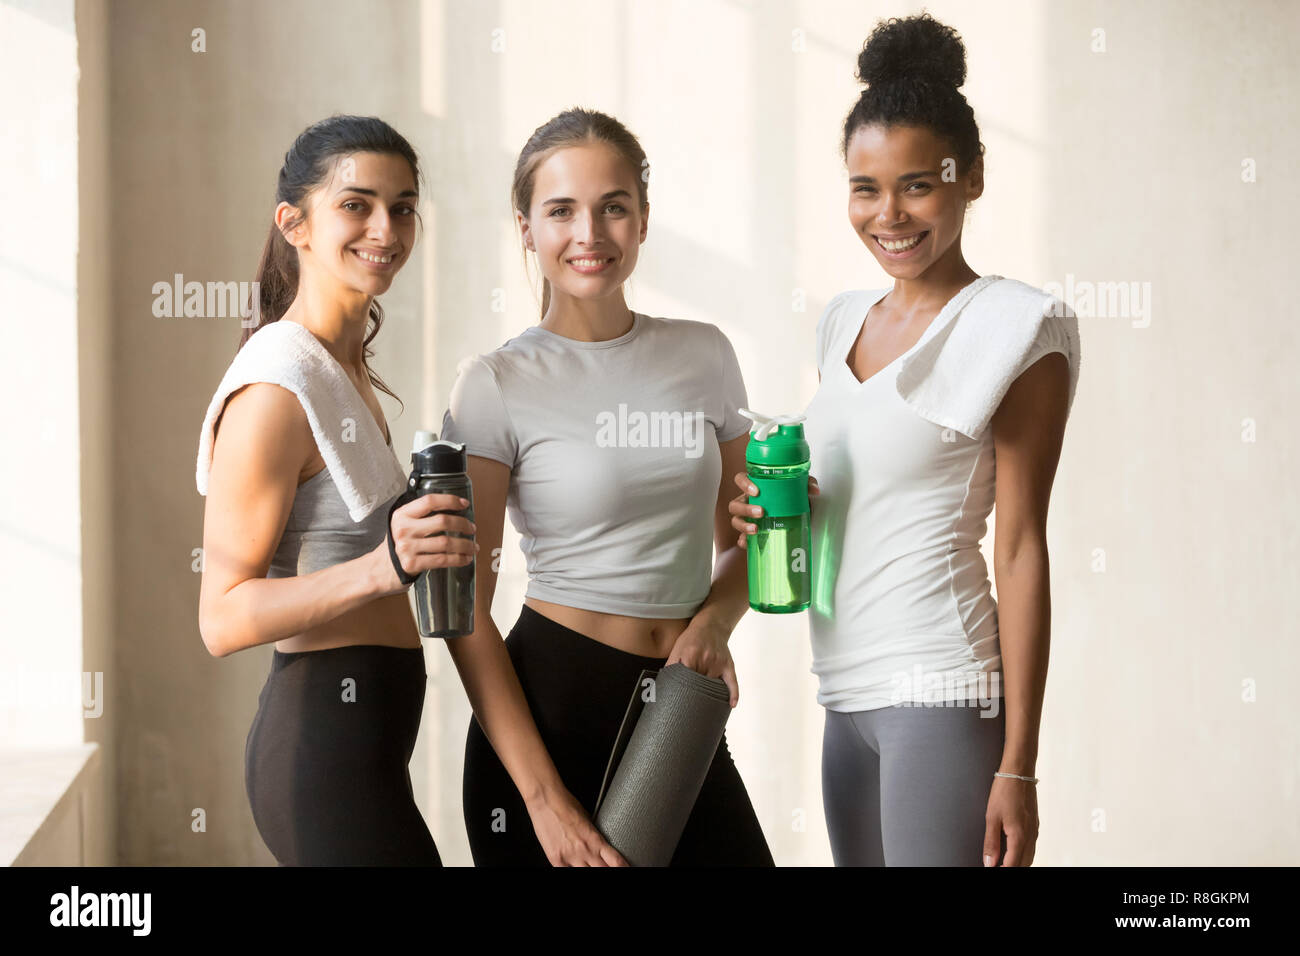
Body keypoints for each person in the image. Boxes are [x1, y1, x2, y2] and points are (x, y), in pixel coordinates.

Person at [729, 13, 1080, 866]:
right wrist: (760, 508)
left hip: (943, 688)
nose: (889, 214)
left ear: (973, 179)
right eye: (865, 187)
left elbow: (1023, 546)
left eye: (919, 185)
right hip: (843, 693)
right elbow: (853, 488)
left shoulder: (1017, 326)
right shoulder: (842, 321)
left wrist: (1020, 767)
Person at [441, 107, 774, 866]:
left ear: (644, 219)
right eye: (560, 210)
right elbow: (462, 608)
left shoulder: (705, 355)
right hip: (549, 715)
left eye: (613, 206)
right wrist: (543, 801)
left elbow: (754, 542)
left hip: (680, 710)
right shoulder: (494, 384)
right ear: (526, 226)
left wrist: (714, 623)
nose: (589, 232)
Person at [195, 115, 477, 865]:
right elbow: (220, 618)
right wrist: (386, 565)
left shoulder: (343, 371)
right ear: (295, 223)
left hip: (363, 749)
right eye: (356, 204)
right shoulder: (276, 388)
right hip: (320, 751)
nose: (385, 228)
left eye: (403, 206)